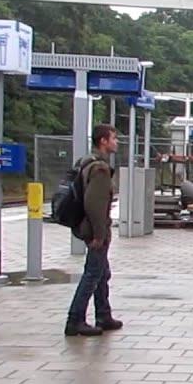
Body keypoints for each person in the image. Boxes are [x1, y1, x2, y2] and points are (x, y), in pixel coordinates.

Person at [64, 123, 123, 337]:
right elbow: (95, 204)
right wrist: (99, 235)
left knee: (101, 272)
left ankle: (103, 314)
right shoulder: (100, 168)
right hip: (96, 230)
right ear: (103, 141)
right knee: (92, 274)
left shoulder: (85, 162)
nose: (116, 142)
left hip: (87, 227)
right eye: (113, 138)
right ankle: (75, 319)